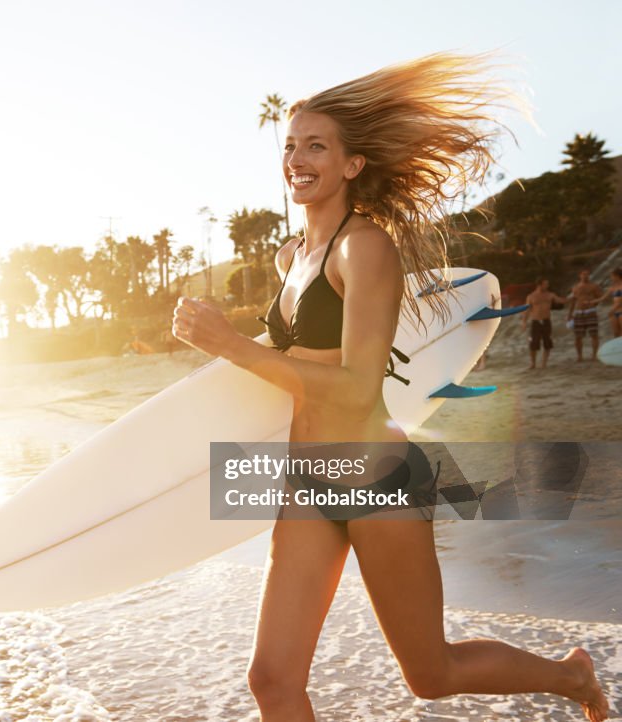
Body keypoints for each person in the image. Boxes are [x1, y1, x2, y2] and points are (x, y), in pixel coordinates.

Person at [171, 52, 609, 721]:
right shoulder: (292, 257)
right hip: (309, 480)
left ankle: (572, 676)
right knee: (272, 680)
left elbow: (353, 388)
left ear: (352, 164)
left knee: (431, 674)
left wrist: (228, 346)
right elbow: (292, 360)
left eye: (316, 145)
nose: (297, 158)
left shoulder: (364, 249)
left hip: (378, 479)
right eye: (289, 146)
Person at [521, 279, 569, 369]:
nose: (547, 286)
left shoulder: (550, 295)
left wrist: (572, 297)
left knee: (547, 343)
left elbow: (560, 301)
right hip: (535, 321)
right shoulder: (531, 296)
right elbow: (526, 310)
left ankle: (544, 363)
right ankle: (533, 363)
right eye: (545, 284)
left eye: (547, 284)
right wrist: (524, 322)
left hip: (546, 321)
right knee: (533, 344)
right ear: (539, 285)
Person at [568, 269, 604, 361]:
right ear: (580, 275)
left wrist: (593, 304)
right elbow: (573, 301)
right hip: (578, 313)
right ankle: (579, 356)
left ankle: (594, 355)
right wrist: (569, 314)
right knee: (578, 336)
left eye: (587, 274)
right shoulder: (575, 287)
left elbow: (600, 297)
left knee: (594, 334)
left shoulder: (594, 286)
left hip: (590, 312)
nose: (585, 276)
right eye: (584, 274)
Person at [598, 267, 622, 339]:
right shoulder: (613, 287)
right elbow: (603, 298)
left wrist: (611, 310)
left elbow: (620, 302)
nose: (611, 278)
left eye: (612, 276)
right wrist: (590, 302)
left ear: (617, 276)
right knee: (616, 333)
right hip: (614, 312)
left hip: (620, 311)